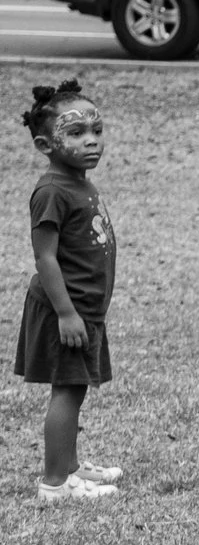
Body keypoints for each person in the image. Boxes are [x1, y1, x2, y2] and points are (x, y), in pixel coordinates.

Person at [17, 82, 121, 504]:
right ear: (46, 144)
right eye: (75, 133)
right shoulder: (52, 191)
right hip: (67, 309)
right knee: (68, 388)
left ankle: (70, 466)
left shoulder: (78, 181)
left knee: (74, 387)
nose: (91, 140)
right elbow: (45, 258)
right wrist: (66, 313)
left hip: (84, 307)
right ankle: (56, 482)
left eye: (95, 129)